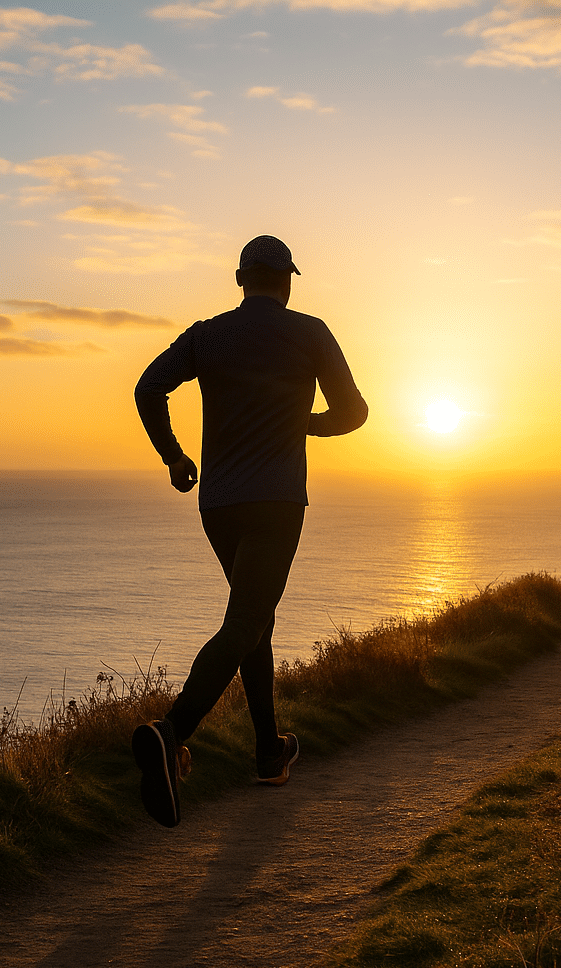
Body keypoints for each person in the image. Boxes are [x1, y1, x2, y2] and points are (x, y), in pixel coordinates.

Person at [131, 235, 369, 828]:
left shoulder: (207, 334)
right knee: (246, 620)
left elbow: (147, 388)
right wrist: (302, 424)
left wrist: (175, 458)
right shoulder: (310, 332)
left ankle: (268, 752)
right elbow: (354, 413)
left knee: (253, 616)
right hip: (278, 501)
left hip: (219, 503)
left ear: (240, 279)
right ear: (286, 282)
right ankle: (170, 733)